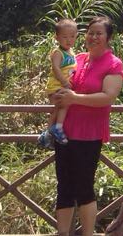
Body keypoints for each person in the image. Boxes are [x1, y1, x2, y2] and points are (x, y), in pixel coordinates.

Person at [51, 15, 123, 236]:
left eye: (99, 33)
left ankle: (88, 233)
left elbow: (108, 97)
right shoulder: (78, 58)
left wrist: (74, 98)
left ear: (108, 37)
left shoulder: (114, 64)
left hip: (89, 134)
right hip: (65, 132)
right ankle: (63, 233)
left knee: (84, 187)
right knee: (63, 186)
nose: (93, 37)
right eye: (90, 32)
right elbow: (60, 81)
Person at [38, 18, 78, 148]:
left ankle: (48, 134)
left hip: (63, 86)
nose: (69, 40)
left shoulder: (71, 52)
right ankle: (56, 129)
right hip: (57, 86)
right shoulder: (58, 52)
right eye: (65, 37)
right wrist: (65, 82)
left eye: (72, 37)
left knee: (58, 108)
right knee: (62, 105)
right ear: (57, 38)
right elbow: (55, 68)